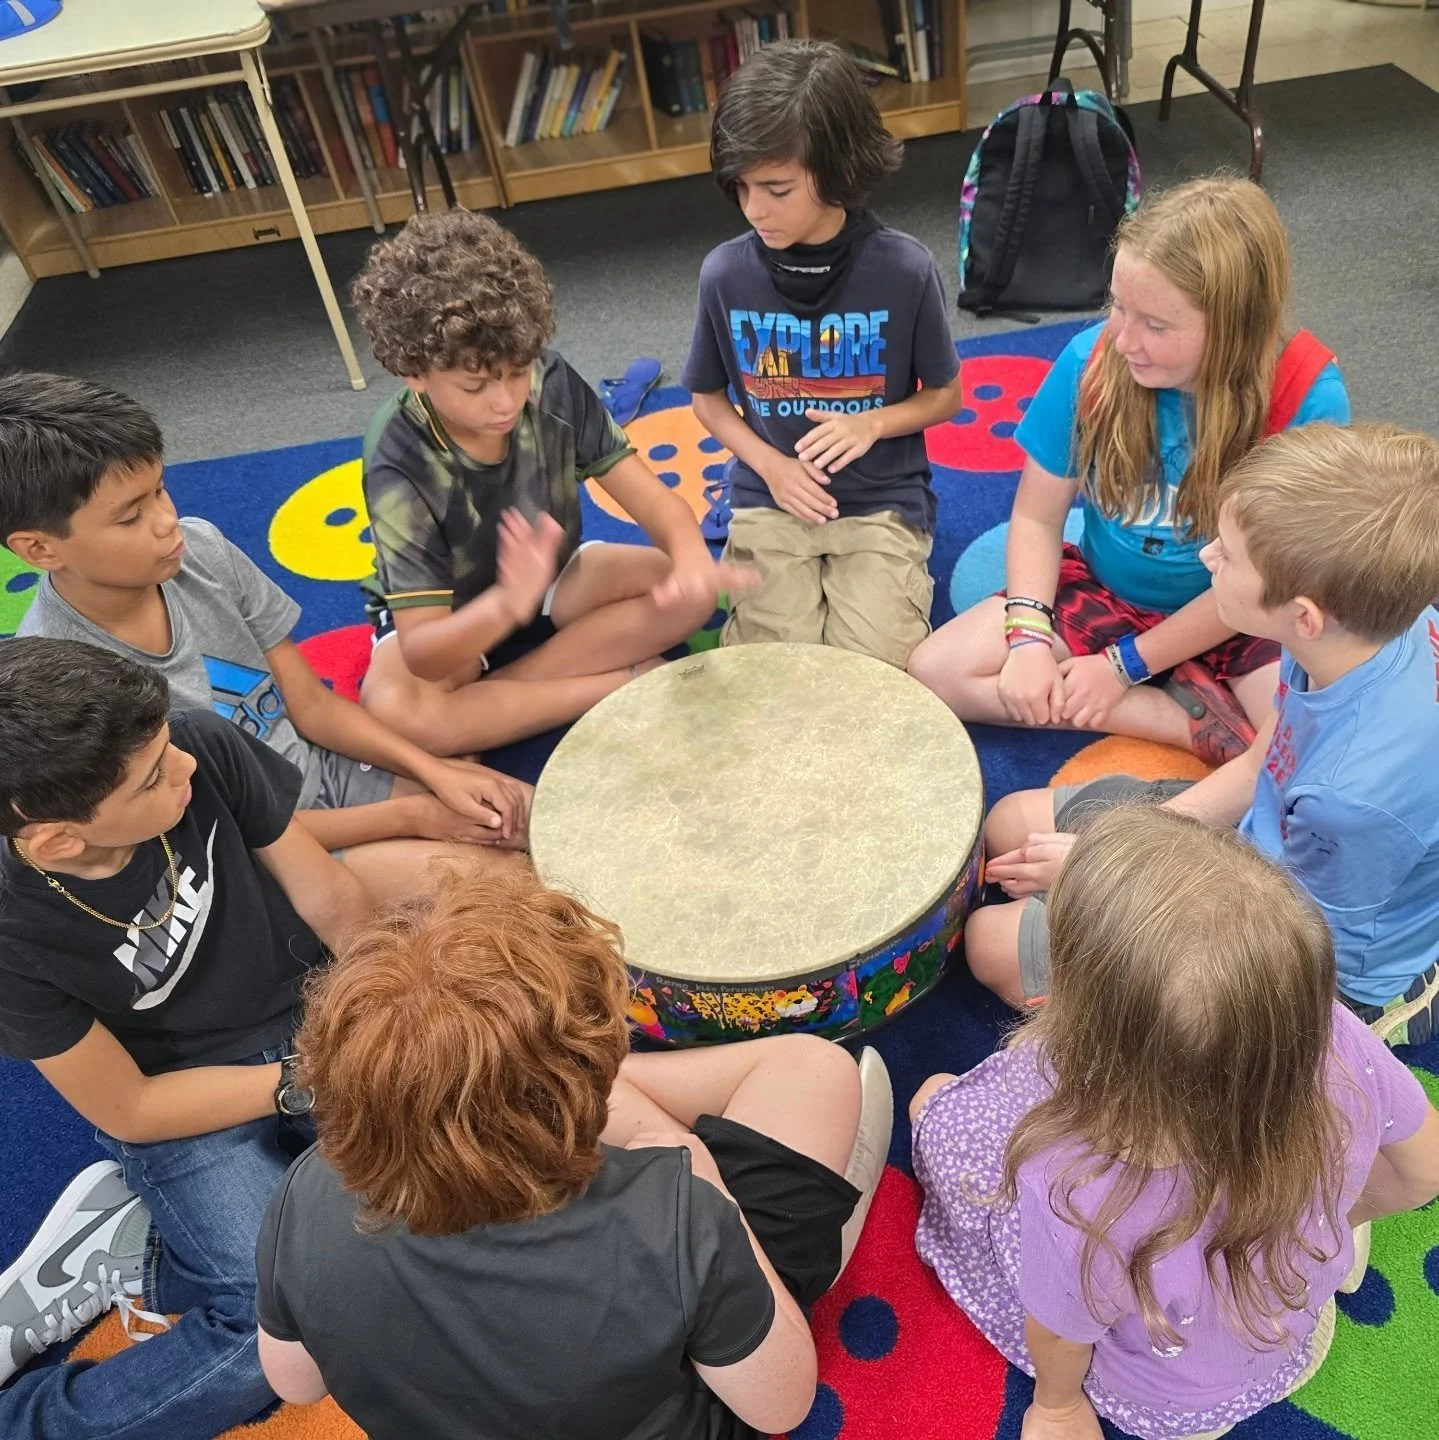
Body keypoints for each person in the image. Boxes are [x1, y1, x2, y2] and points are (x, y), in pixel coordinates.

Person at [253, 860, 892, 1440]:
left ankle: (515, 1093)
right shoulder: (676, 1218)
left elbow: (297, 1383)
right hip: (692, 1349)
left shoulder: (305, 1192)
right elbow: (782, 1407)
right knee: (818, 1074)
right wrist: (701, 1174)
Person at [912, 807, 1439, 1440]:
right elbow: (1425, 1170)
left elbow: (1057, 1330)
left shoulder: (1076, 1183)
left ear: (1091, 1033)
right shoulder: (1331, 1037)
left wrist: (1057, 1407)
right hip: (1293, 1330)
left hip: (1167, 1402)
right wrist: (1325, 1223)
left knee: (938, 1108)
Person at [0, 638, 371, 1437]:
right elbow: (130, 1106)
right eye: (152, 779)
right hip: (183, 1101)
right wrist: (300, 1082)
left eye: (167, 749)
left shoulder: (190, 741)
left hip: (313, 1009)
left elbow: (335, 902)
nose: (186, 770)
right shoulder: (9, 928)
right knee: (283, 1328)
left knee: (461, 1198)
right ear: (59, 841)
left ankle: (142, 1259)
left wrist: (392, 1018)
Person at [969, 423, 1439, 1048]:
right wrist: (1133, 845)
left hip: (1300, 966)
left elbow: (1288, 942)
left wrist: (1113, 869)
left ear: (1304, 615)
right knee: (1013, 823)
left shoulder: (1353, 799)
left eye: (1228, 552)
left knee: (989, 944)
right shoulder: (1364, 629)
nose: (1207, 555)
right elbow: (1262, 764)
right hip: (1265, 845)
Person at [1, 372, 531, 908]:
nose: (167, 523)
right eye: (132, 517)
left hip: (322, 779)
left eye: (160, 490)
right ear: (41, 551)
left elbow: (310, 704)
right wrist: (412, 814)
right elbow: (223, 829)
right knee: (513, 891)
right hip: (257, 853)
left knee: (526, 819)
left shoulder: (201, 550)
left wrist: (433, 771)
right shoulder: (66, 680)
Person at [908, 176, 1351, 764]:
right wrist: (1030, 637)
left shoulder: (1304, 397)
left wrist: (1126, 666)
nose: (1123, 339)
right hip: (1107, 589)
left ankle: (1178, 691)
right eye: (1118, 306)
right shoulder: (1091, 362)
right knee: (933, 672)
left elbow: (1268, 585)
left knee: (1303, 751)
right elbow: (1038, 519)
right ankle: (1180, 721)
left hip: (1243, 613)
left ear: (1234, 327)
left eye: (1157, 326)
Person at [350, 208, 751, 754]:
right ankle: (614, 685)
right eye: (474, 387)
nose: (505, 400)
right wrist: (506, 604)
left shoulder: (551, 380)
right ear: (412, 372)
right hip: (454, 620)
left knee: (681, 590)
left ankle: (493, 702)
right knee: (395, 709)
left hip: (553, 580)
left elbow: (655, 502)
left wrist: (691, 563)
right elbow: (423, 650)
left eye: (517, 373)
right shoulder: (396, 453)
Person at [683, 40, 962, 668]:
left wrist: (874, 423)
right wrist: (770, 466)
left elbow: (948, 395)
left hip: (881, 501)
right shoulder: (724, 274)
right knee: (774, 671)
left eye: (777, 189)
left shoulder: (904, 267)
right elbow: (705, 397)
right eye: (742, 187)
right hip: (769, 498)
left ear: (837, 169)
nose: (755, 209)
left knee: (875, 674)